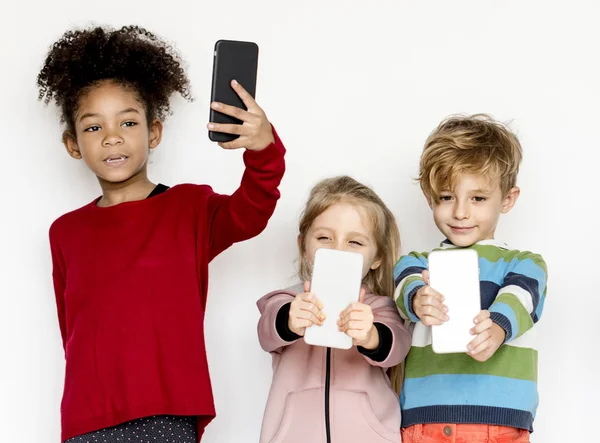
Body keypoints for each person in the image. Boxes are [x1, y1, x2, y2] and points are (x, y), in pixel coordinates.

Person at [37, 25, 286, 442]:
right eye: (94, 127)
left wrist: (262, 148)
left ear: (154, 132)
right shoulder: (65, 232)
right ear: (73, 144)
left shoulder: (188, 208)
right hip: (87, 421)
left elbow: (252, 211)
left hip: (166, 414)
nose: (112, 136)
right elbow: (73, 333)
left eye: (128, 122)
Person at [394, 114, 548, 442]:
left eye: (477, 198)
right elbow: (404, 287)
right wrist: (418, 299)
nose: (461, 212)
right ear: (429, 197)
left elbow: (521, 296)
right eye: (447, 197)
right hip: (427, 417)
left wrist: (496, 327)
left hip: (501, 419)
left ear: (507, 199)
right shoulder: (417, 264)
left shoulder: (524, 263)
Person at [257, 175, 411, 443]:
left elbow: (397, 348)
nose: (338, 250)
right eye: (325, 237)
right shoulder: (288, 300)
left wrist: (370, 336)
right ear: (303, 246)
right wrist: (290, 320)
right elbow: (266, 330)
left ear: (376, 258)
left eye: (355, 242)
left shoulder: (379, 308)